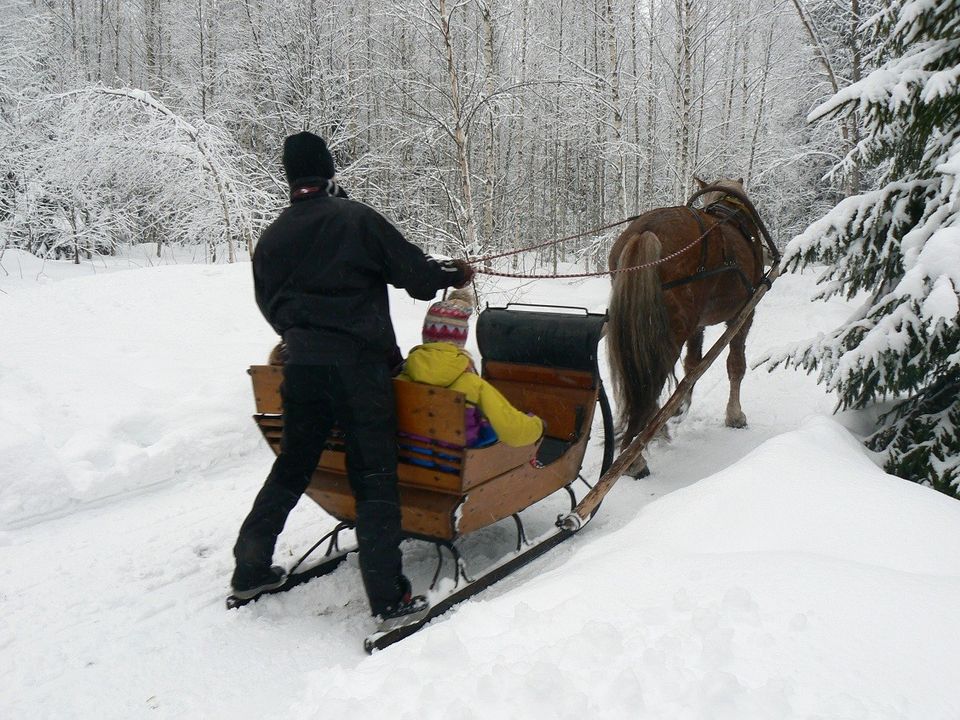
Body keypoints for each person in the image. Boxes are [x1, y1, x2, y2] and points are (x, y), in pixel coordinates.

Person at [232, 131, 474, 625]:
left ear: (289, 175)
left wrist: (301, 336)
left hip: (302, 368)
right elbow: (415, 275)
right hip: (360, 371)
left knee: (293, 465)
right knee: (375, 476)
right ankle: (389, 599)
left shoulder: (272, 237)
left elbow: (268, 304)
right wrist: (452, 273)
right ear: (328, 171)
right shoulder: (355, 219)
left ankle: (250, 567)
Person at [397, 288, 543, 448]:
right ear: (460, 340)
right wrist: (537, 426)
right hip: (455, 465)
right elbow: (514, 431)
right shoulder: (471, 384)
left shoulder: (402, 376)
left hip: (411, 458)